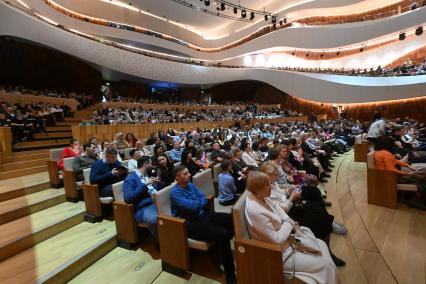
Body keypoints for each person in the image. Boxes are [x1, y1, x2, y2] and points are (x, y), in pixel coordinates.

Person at [244, 171, 338, 283]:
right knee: (325, 264)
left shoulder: (263, 197)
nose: (272, 186)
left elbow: (279, 210)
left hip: (288, 242)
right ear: (262, 187)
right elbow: (276, 240)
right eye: (269, 184)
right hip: (279, 254)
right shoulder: (256, 211)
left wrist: (291, 222)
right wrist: (289, 224)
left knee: (321, 245)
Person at [170, 166, 236, 284]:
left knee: (231, 219)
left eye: (188, 172)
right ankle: (230, 273)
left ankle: (220, 249)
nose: (189, 174)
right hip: (189, 224)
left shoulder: (190, 185)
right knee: (223, 234)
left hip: (201, 215)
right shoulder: (175, 193)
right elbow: (193, 207)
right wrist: (198, 203)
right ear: (177, 178)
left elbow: (203, 197)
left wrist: (197, 203)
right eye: (185, 174)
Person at [374, 135, 426, 209]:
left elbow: (394, 161)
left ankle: (409, 197)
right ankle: (416, 200)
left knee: (419, 174)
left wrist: (407, 166)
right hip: (391, 178)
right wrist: (408, 173)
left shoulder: (380, 152)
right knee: (421, 176)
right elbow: (391, 170)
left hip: (388, 176)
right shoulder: (385, 154)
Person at [124, 156, 159, 241]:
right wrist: (144, 185)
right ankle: (162, 245)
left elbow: (154, 190)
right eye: (150, 163)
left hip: (156, 202)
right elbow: (128, 198)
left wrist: (157, 183)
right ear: (146, 165)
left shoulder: (148, 175)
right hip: (143, 208)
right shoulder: (130, 179)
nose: (152, 165)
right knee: (155, 220)